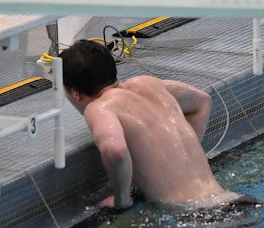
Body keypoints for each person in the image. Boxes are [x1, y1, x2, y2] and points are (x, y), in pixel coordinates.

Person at [59, 40, 245, 210]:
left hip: (199, 214)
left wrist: (121, 199)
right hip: (234, 200)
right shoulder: (147, 83)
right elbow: (203, 101)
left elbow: (114, 150)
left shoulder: (99, 108)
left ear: (76, 93)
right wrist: (178, 155)